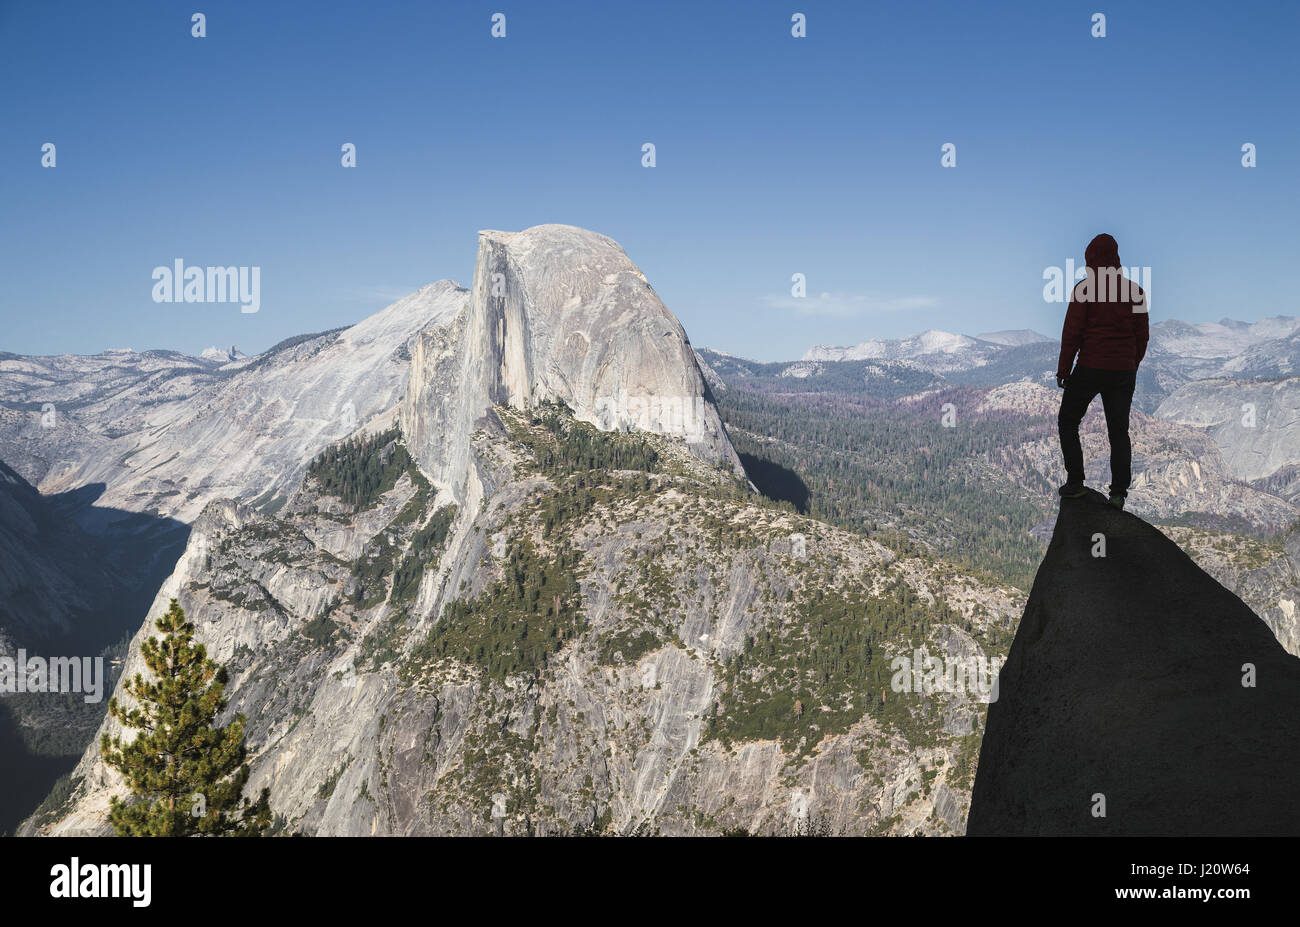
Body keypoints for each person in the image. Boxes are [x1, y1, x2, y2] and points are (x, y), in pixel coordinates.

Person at [1056, 233, 1149, 510]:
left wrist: (1064, 369)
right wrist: (1131, 364)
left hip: (1091, 367)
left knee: (1068, 421)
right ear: (1116, 258)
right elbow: (1142, 336)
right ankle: (1118, 493)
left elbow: (1071, 334)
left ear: (1091, 259)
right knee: (1118, 432)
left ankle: (1075, 483)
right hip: (1123, 372)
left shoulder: (1084, 290)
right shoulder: (1136, 292)